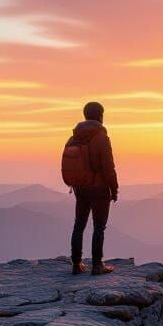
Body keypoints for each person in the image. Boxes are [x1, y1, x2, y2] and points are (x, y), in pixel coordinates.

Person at [66, 101, 119, 275]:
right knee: (99, 226)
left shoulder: (74, 137)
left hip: (80, 188)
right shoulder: (101, 138)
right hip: (99, 189)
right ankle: (97, 265)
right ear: (100, 116)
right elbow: (108, 167)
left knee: (79, 225)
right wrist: (114, 188)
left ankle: (76, 264)